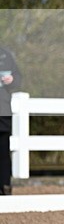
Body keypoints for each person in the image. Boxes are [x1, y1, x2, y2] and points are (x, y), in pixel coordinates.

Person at [0, 46, 21, 195]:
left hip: (2, 111)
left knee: (3, 152)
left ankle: (5, 186)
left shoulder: (5, 56)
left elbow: (18, 78)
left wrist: (12, 80)